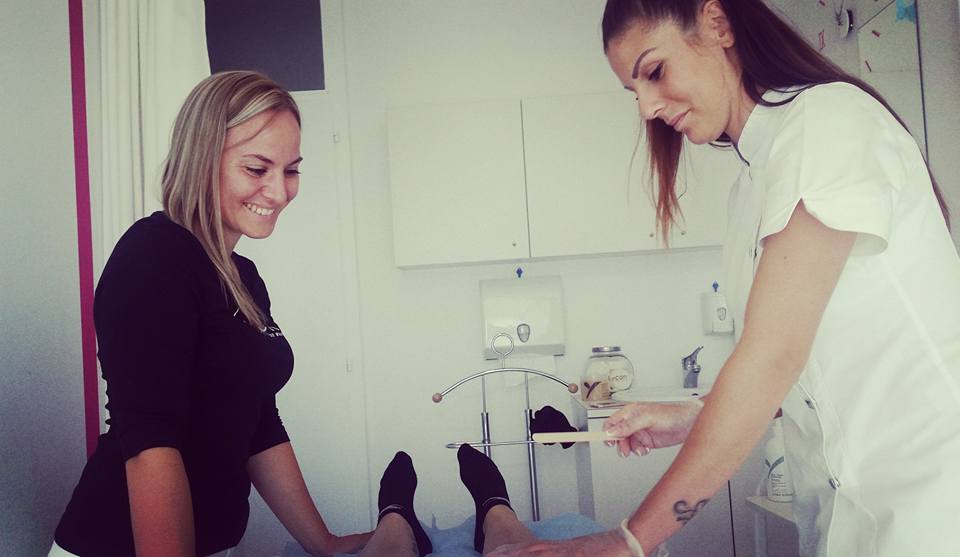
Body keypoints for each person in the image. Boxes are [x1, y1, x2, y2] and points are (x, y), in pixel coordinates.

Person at [494, 1, 960, 556]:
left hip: (933, 502)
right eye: (633, 91)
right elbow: (802, 379)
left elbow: (771, 359)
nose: (646, 107)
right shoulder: (750, 191)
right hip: (846, 519)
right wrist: (690, 416)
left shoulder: (827, 120)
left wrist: (628, 541)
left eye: (654, 71)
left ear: (717, 24)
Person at [51, 71, 372, 557]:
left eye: (290, 170)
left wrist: (323, 544)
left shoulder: (244, 277)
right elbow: (150, 439)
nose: (279, 192)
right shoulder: (153, 257)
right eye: (257, 168)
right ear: (202, 158)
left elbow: (259, 421)